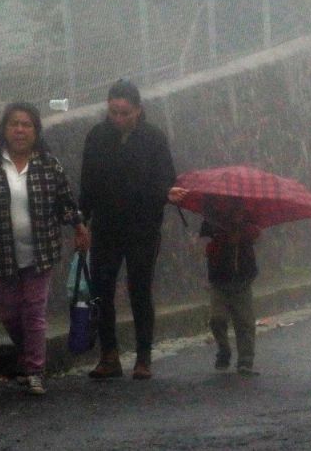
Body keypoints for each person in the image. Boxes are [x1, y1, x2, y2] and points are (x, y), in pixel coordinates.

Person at [0, 102, 90, 395]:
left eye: (26, 124)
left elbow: (65, 202)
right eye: (14, 124)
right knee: (9, 312)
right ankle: (29, 355)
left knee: (34, 310)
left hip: (40, 252)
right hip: (3, 253)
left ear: (35, 131)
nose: (19, 130)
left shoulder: (47, 164)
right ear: (3, 130)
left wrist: (78, 225)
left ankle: (35, 370)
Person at [80, 80, 176, 380]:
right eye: (113, 112)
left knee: (139, 290)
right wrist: (81, 221)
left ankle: (143, 358)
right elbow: (88, 183)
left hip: (142, 229)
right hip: (106, 227)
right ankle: (109, 356)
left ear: (138, 110)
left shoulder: (153, 139)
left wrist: (157, 198)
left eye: (125, 113)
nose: (118, 119)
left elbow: (166, 181)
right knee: (102, 291)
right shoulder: (97, 137)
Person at [168, 190, 262, 376]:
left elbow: (257, 235)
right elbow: (204, 245)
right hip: (219, 281)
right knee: (217, 319)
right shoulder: (214, 223)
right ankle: (224, 348)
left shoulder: (249, 225)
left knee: (245, 322)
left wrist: (241, 234)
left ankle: (245, 360)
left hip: (242, 280)